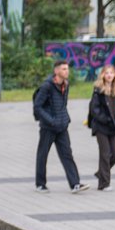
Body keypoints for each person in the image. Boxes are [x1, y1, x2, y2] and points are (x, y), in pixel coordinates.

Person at [33, 60, 89, 195]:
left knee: (67, 155)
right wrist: (51, 121)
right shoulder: (47, 86)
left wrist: (65, 119)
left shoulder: (66, 85)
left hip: (62, 127)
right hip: (48, 127)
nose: (67, 71)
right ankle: (40, 184)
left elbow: (63, 105)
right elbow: (37, 106)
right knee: (43, 154)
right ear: (56, 71)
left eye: (67, 69)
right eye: (64, 69)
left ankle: (75, 184)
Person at [86, 64, 115, 192]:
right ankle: (104, 184)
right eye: (106, 73)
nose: (109, 75)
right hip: (101, 127)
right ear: (103, 75)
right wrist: (105, 120)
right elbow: (94, 109)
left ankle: (101, 172)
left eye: (111, 73)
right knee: (105, 154)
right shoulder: (98, 90)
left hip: (114, 127)